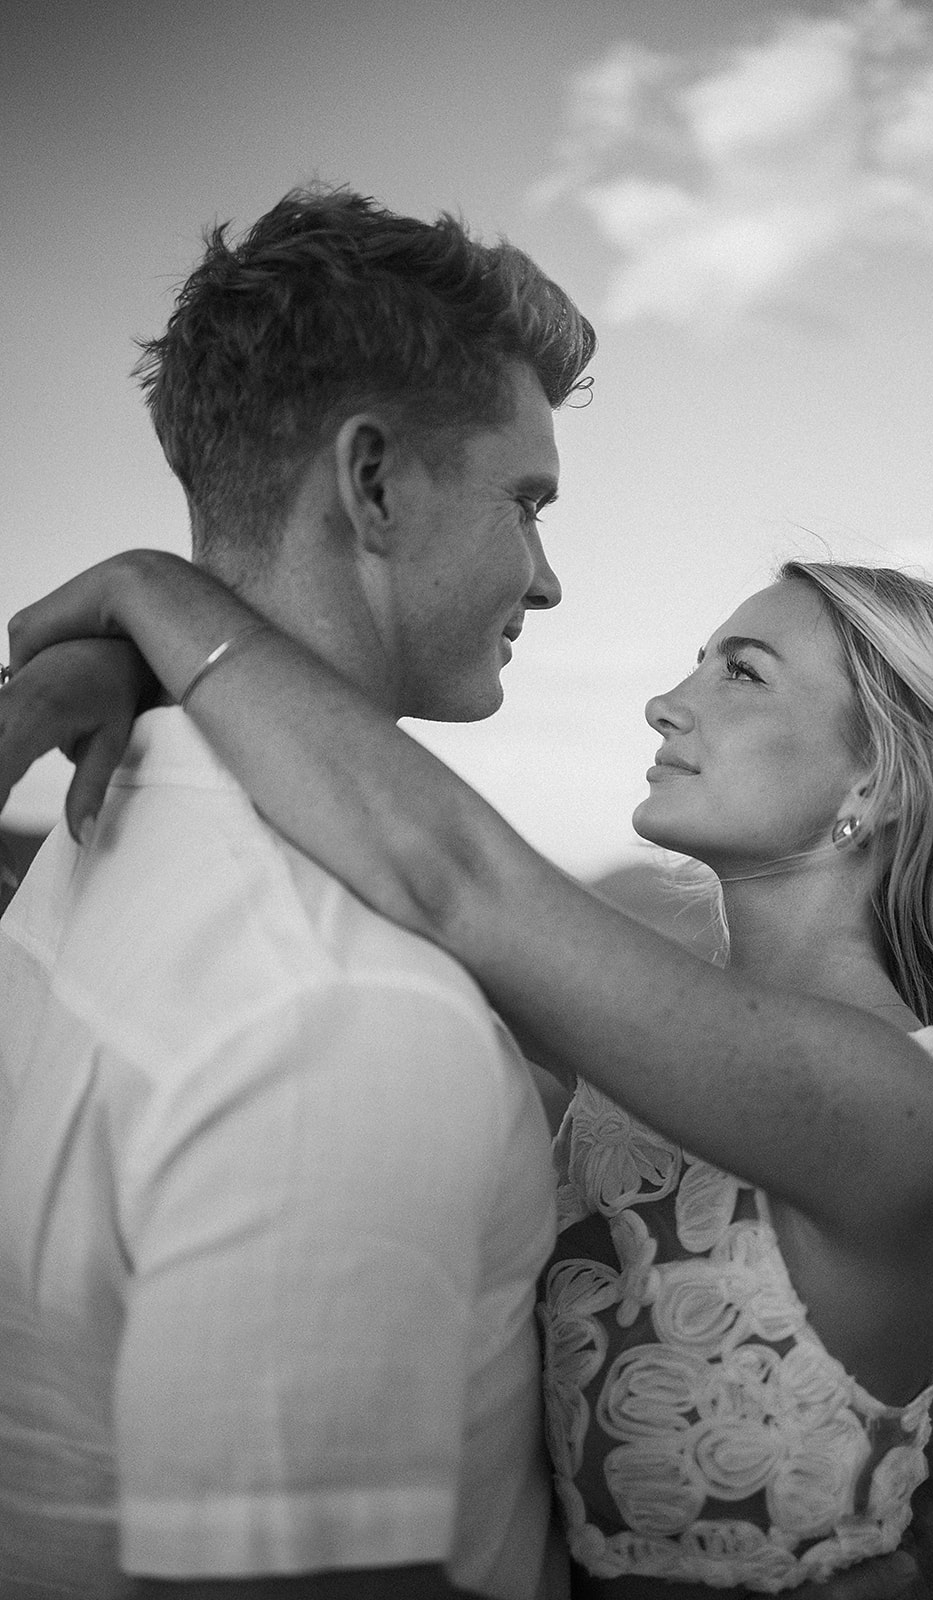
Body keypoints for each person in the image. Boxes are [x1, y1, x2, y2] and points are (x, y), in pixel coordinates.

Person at [0, 547, 933, 1598]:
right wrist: (144, 684)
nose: (664, 704)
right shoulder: (651, 1051)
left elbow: (448, 875)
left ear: (878, 777)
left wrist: (153, 592)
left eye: (741, 672)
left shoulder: (898, 1108)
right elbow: (364, 855)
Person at [0, 184, 596, 1600]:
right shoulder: (334, 1009)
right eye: (525, 502)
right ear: (372, 481)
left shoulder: (98, 831)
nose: (550, 577)